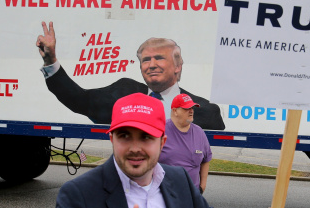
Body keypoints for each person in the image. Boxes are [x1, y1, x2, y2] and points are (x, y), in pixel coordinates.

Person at [32, 93, 287, 208]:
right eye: (124, 136)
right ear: (111, 138)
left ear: (162, 142)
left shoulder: (178, 181)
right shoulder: (80, 192)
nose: (134, 148)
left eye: (146, 137)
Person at [36, 21, 225, 130]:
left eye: (159, 58)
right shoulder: (122, 94)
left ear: (178, 66)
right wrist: (51, 61)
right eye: (145, 60)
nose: (151, 65)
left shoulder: (204, 109)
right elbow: (78, 99)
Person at [158, 93, 212, 194]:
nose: (191, 111)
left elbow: (206, 160)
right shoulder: (161, 130)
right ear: (175, 111)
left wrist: (202, 186)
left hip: (192, 196)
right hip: (166, 195)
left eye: (192, 108)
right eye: (186, 108)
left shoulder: (199, 132)